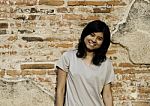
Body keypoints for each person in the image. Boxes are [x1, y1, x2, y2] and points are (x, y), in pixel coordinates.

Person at [55, 20, 115, 106]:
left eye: (99, 38)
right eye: (92, 35)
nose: (94, 40)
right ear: (85, 34)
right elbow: (61, 89)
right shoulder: (68, 57)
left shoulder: (106, 64)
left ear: (103, 43)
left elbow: (107, 95)